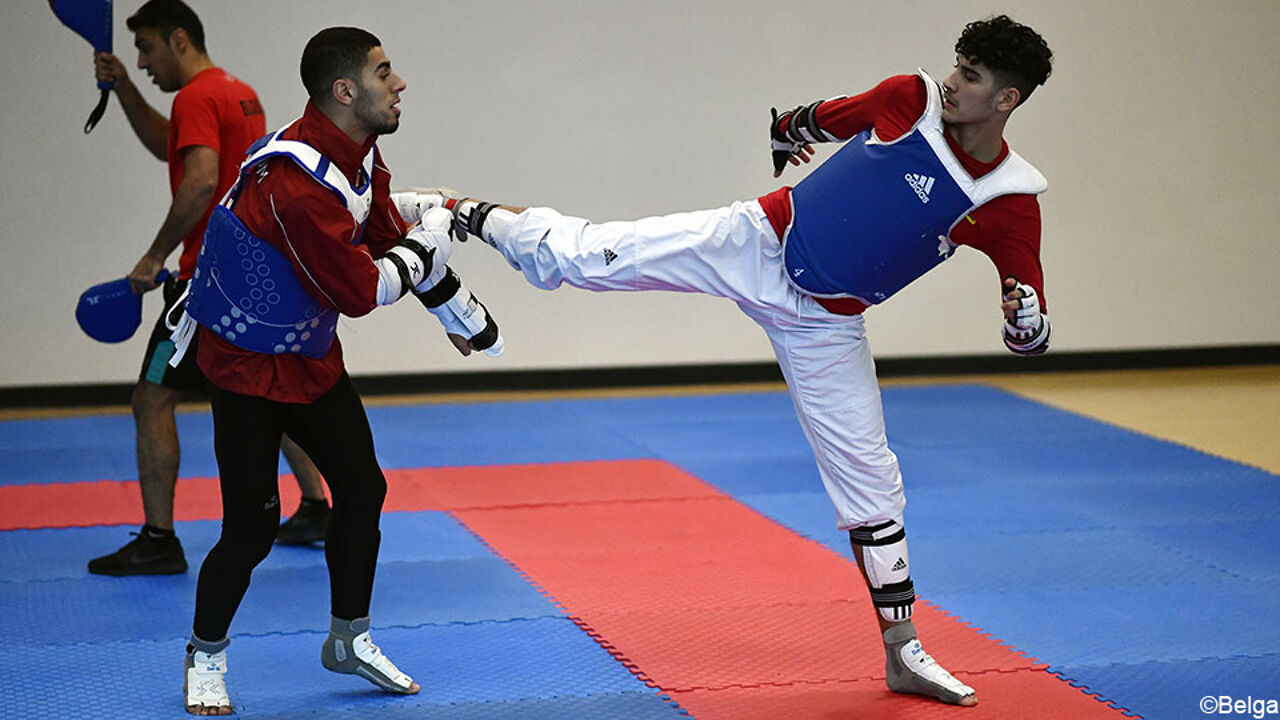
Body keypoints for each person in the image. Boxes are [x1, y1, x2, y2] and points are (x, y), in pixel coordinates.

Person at [430, 14, 1053, 707]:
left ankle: (903, 653)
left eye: (971, 76)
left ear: (1008, 99)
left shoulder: (1007, 201)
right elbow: (815, 119)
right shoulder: (909, 100)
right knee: (585, 256)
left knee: (874, 485)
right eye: (956, 64)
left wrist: (1025, 321)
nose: (951, 80)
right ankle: (453, 211)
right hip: (753, 239)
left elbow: (1029, 331)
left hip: (827, 321)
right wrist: (785, 130)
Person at [171, 26, 501, 715]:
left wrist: (458, 318)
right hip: (243, 371)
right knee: (251, 528)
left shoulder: (356, 155)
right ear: (345, 91)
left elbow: (383, 234)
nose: (400, 82)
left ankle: (348, 639)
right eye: (385, 72)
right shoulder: (296, 186)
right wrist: (434, 235)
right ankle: (205, 653)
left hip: (310, 358)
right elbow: (363, 292)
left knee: (363, 490)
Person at [86, 0, 331, 577]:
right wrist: (123, 90)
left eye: (145, 49)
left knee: (152, 398)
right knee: (270, 392)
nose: (142, 62)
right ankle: (318, 504)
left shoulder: (195, 96)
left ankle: (159, 538)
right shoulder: (235, 92)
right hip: (253, 273)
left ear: (177, 40)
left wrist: (153, 256)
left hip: (204, 282)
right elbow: (177, 148)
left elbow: (198, 183)